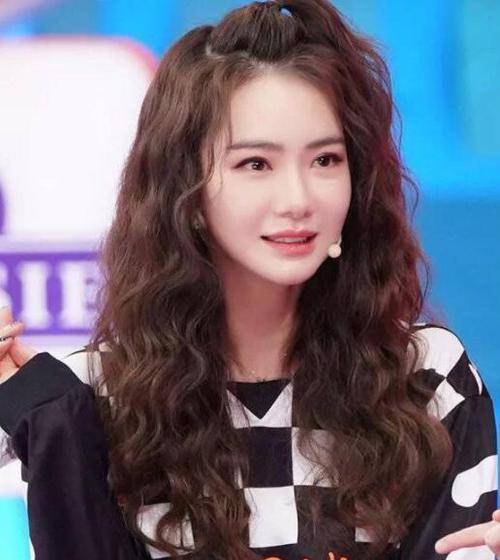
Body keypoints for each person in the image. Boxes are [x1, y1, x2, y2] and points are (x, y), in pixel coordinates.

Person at [0, 1, 497, 559]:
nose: (298, 199)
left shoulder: (426, 379)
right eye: (256, 164)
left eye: (326, 160)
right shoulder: (93, 396)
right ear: (184, 190)